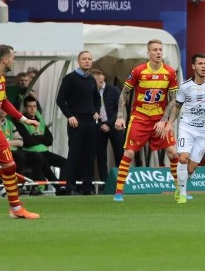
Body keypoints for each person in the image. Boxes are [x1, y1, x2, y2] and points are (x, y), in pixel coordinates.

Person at [111, 39, 179, 202]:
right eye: (154, 50)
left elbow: (173, 99)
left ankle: (179, 190)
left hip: (159, 119)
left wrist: (164, 121)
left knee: (172, 152)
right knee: (129, 152)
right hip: (140, 118)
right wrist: (120, 116)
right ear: (148, 53)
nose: (158, 52)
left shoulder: (169, 72)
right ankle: (119, 192)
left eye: (160, 50)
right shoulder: (138, 71)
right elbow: (124, 93)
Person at [161, 54, 205, 204]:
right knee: (183, 157)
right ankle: (183, 194)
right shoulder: (185, 86)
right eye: (200, 63)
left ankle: (181, 186)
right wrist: (170, 123)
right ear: (193, 66)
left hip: (204, 131)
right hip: (187, 127)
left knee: (191, 168)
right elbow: (177, 106)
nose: (204, 66)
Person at [0, 45, 40, 218]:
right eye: (13, 57)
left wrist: (25, 119)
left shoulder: (0, 78)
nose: (14, 60)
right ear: (5, 60)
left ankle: (16, 209)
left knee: (10, 166)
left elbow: (5, 102)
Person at [55, 50, 101, 195]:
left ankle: (88, 187)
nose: (87, 61)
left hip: (90, 121)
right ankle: (71, 187)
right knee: (74, 155)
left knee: (90, 155)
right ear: (78, 61)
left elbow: (97, 98)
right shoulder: (70, 78)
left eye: (89, 59)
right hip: (76, 121)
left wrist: (96, 111)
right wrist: (70, 116)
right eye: (84, 59)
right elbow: (60, 100)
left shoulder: (92, 79)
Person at [92, 69, 124, 182]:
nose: (97, 81)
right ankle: (104, 182)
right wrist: (100, 124)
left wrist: (109, 124)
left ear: (103, 77)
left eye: (99, 78)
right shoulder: (92, 92)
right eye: (94, 79)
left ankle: (121, 180)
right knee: (101, 155)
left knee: (120, 153)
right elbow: (91, 110)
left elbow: (119, 108)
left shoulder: (113, 90)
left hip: (114, 125)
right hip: (99, 127)